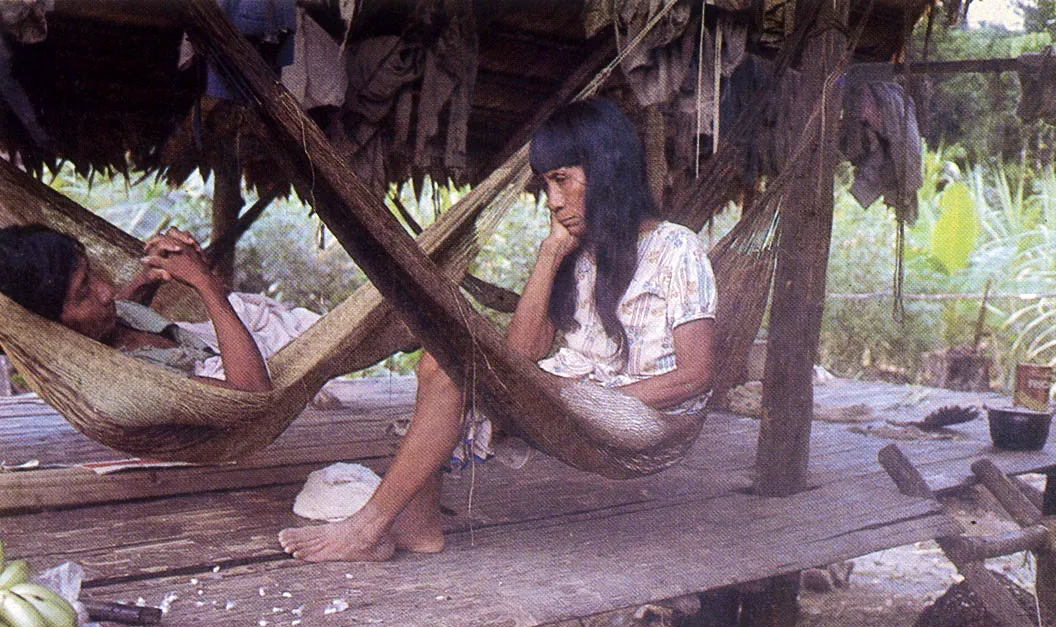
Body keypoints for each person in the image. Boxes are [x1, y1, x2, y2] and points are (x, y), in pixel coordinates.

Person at [279, 97, 717, 563]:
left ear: (606, 167)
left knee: (453, 370)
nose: (553, 201)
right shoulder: (580, 251)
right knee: (442, 359)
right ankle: (418, 529)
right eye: (547, 184)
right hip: (576, 397)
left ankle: (366, 528)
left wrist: (576, 399)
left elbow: (695, 376)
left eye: (562, 179)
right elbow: (521, 355)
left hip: (647, 414)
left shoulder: (676, 247)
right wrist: (551, 254)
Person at [0, 224, 273, 392]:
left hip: (263, 336)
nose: (106, 292)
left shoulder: (103, 325)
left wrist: (151, 276)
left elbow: (124, 310)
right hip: (261, 371)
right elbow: (252, 393)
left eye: (91, 273)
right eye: (84, 292)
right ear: (50, 327)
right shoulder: (125, 384)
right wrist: (204, 281)